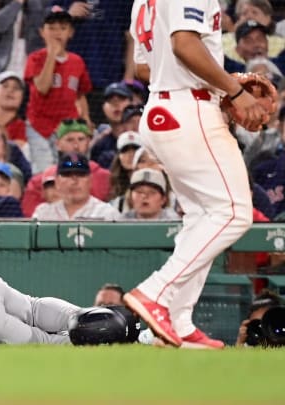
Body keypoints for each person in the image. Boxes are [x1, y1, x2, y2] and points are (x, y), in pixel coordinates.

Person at [123, 0, 268, 349]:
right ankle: (156, 291)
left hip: (160, 108)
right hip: (190, 111)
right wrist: (233, 91)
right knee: (234, 213)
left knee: (202, 217)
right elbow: (184, 44)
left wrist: (217, 83)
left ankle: (177, 319)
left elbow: (144, 69)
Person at [24, 7, 92, 173]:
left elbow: (80, 93)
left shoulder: (77, 62)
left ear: (70, 33)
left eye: (62, 28)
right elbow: (42, 87)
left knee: (73, 169)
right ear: (42, 32)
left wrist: (86, 118)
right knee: (45, 171)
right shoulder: (35, 58)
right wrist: (51, 56)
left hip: (67, 127)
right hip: (39, 126)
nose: (57, 33)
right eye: (51, 28)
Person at [31, 153, 119, 221]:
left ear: (90, 180)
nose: (74, 180)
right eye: (67, 175)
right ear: (57, 181)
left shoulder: (107, 214)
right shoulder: (43, 213)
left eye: (81, 175)